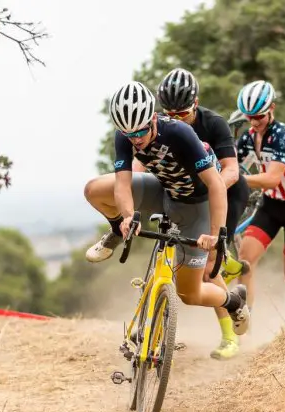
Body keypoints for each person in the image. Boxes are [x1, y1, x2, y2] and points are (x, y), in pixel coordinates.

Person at [84, 69, 251, 360]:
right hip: (163, 192)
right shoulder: (125, 134)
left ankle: (233, 301)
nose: (135, 141)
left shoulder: (181, 134)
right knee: (94, 189)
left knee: (190, 294)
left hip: (196, 205)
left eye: (140, 132)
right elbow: (123, 183)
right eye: (128, 134)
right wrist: (126, 216)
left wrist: (216, 234)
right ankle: (113, 230)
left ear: (152, 119)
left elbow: (216, 184)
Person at [233, 80, 285, 333]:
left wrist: (235, 179)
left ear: (272, 108)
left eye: (258, 116)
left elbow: (271, 179)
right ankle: (245, 319)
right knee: (245, 262)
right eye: (249, 117)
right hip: (270, 206)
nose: (254, 122)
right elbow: (232, 168)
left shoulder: (284, 135)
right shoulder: (249, 138)